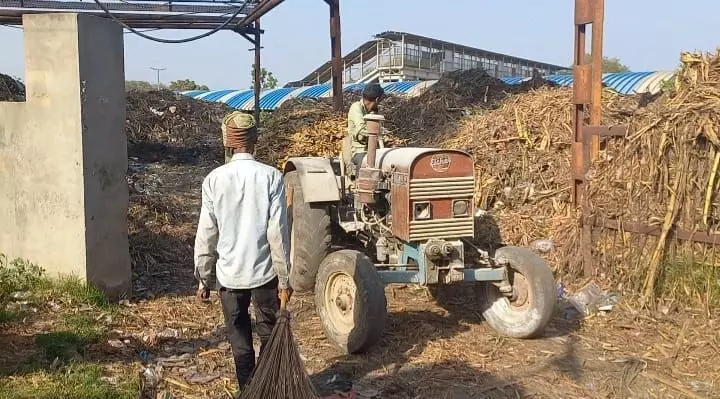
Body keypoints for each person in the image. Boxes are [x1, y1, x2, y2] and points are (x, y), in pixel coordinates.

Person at [194, 112, 292, 391]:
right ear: (254, 143)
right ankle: (268, 387)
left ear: (227, 143)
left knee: (240, 343)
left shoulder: (213, 180)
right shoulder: (271, 177)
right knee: (269, 335)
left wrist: (204, 278)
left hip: (229, 278)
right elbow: (278, 235)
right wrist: (285, 280)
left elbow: (206, 234)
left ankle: (248, 390)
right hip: (264, 275)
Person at [347, 83, 385, 170]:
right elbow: (361, 133)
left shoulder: (372, 112)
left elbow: (379, 130)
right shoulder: (356, 108)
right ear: (377, 99)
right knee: (365, 165)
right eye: (379, 101)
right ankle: (359, 182)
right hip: (360, 152)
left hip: (375, 151)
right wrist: (383, 138)